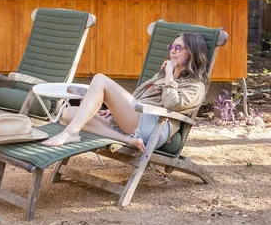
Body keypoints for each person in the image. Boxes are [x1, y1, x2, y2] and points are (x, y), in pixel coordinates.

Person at [42, 32, 209, 150]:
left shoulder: (195, 86)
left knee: (100, 79)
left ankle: (70, 132)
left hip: (154, 126)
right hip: (136, 120)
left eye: (179, 48)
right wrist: (115, 111)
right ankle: (126, 140)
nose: (172, 50)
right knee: (69, 113)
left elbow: (171, 104)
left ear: (192, 53)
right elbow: (137, 98)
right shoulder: (162, 76)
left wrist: (169, 76)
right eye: (172, 46)